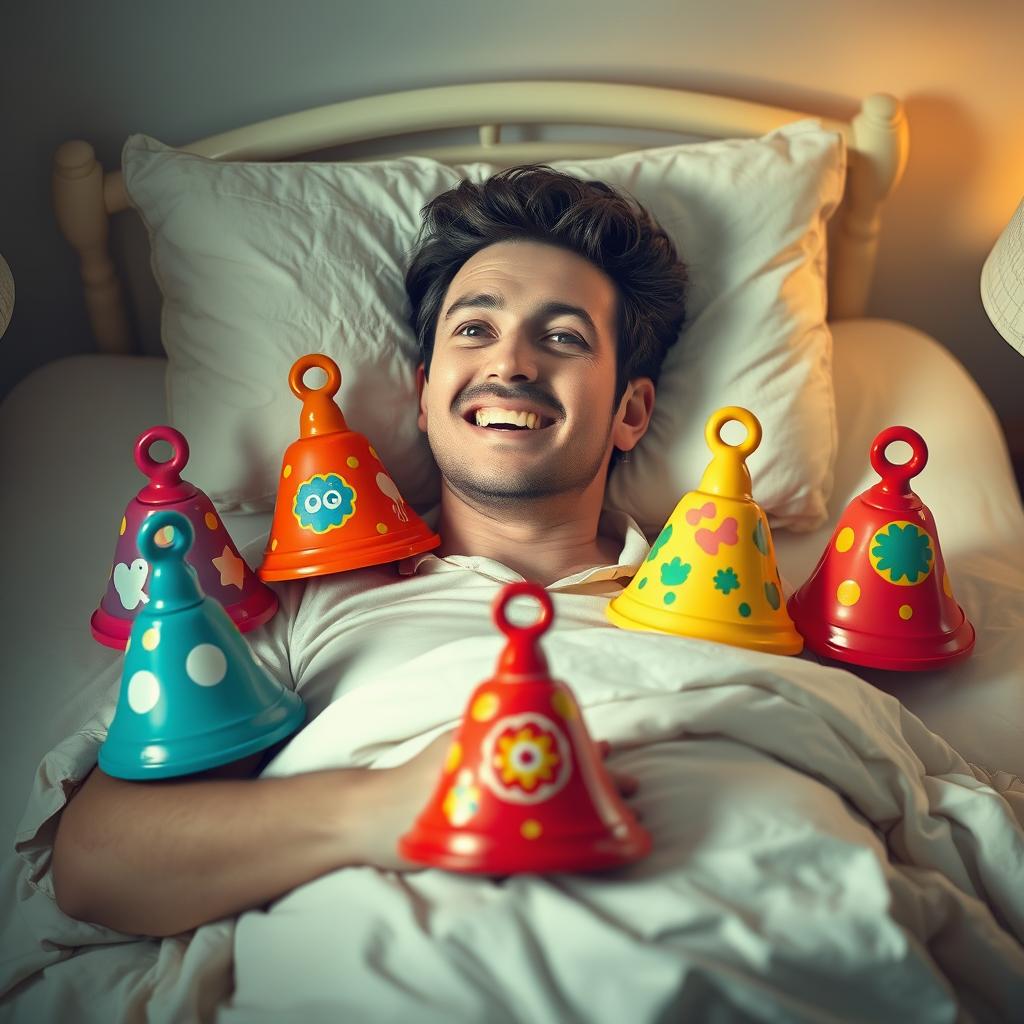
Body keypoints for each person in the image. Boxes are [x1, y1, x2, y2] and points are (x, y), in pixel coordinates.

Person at [49, 166, 689, 938]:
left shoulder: (731, 603)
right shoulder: (292, 595)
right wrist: (391, 806)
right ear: (423, 395)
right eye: (476, 329)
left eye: (562, 337)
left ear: (631, 410)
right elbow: (99, 862)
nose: (512, 363)